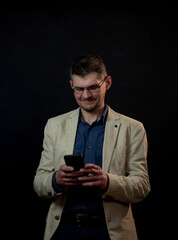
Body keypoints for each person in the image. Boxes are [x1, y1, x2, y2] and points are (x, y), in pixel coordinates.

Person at [33, 55, 150, 240]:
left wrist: (108, 182)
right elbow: (39, 183)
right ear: (71, 86)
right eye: (79, 89)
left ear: (107, 82)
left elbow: (142, 186)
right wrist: (56, 179)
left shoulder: (133, 128)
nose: (85, 96)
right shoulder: (54, 126)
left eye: (93, 88)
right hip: (63, 230)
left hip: (110, 233)